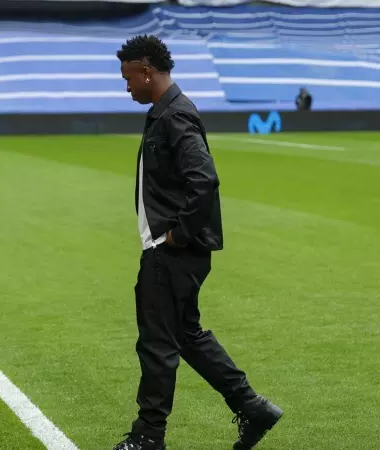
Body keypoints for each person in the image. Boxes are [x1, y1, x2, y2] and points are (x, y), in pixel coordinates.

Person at [112, 35, 283, 450]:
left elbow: (203, 180)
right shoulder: (166, 112)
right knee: (185, 335)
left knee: (157, 343)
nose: (126, 86)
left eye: (128, 77)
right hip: (175, 252)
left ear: (147, 70)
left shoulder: (175, 115)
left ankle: (148, 436)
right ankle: (252, 406)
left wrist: (177, 234)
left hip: (172, 252)